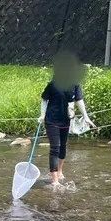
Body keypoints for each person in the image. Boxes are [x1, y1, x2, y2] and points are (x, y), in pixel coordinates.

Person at [38, 51, 95, 189]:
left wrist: (86, 117)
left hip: (66, 120)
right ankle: (54, 179)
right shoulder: (53, 83)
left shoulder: (75, 84)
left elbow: (79, 101)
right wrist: (42, 115)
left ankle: (60, 170)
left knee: (63, 147)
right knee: (55, 148)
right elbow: (44, 99)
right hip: (52, 120)